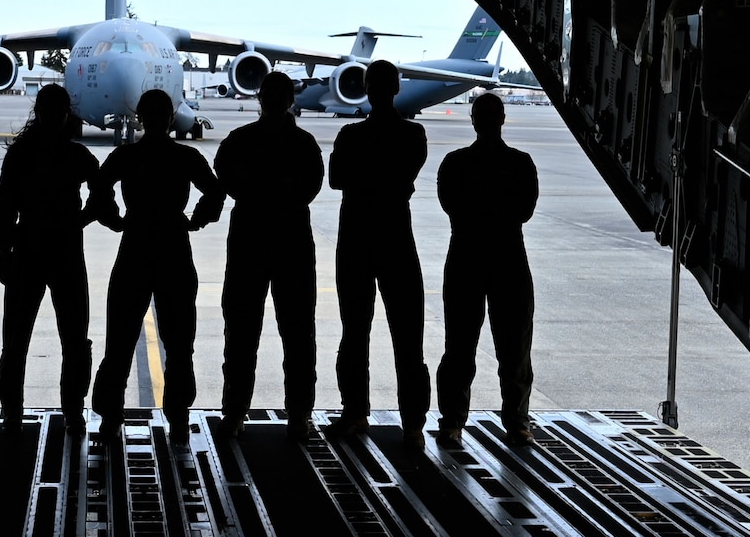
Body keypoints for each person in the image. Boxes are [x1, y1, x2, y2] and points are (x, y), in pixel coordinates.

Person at [90, 89, 224, 437]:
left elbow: (99, 186)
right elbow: (215, 191)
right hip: (174, 244)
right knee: (179, 339)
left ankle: (109, 416)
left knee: (120, 336)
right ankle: (178, 416)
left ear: (140, 118)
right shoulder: (186, 157)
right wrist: (197, 219)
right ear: (168, 118)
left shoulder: (126, 155)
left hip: (134, 241)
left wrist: (113, 218)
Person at [213, 70, 324, 437]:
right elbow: (311, 188)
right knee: (297, 331)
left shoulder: (238, 141)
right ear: (291, 100)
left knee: (242, 330)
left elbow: (225, 179)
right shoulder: (305, 144)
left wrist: (256, 193)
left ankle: (234, 412)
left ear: (259, 99)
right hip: (291, 236)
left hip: (249, 236)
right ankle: (298, 415)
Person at [0, 83, 107, 427]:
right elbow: (101, 196)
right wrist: (78, 221)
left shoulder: (20, 155)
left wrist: (3, 251)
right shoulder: (76, 155)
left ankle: (12, 410)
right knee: (74, 336)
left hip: (28, 248)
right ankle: (72, 409)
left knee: (16, 337)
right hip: (65, 251)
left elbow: (4, 210)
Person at [329, 60, 431, 432]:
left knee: (354, 332)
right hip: (396, 237)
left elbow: (336, 179)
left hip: (356, 237)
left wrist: (363, 179)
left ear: (367, 89)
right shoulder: (414, 135)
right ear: (398, 88)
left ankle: (355, 412)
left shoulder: (350, 135)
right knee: (408, 337)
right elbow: (405, 174)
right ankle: (413, 424)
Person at [434, 91, 539, 444]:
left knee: (459, 346)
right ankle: (517, 422)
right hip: (509, 256)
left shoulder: (455, 163)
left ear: (473, 120)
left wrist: (478, 215)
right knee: (515, 346)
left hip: (466, 254)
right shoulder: (521, 163)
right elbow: (524, 211)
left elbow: (452, 206)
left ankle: (452, 421)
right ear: (503, 119)